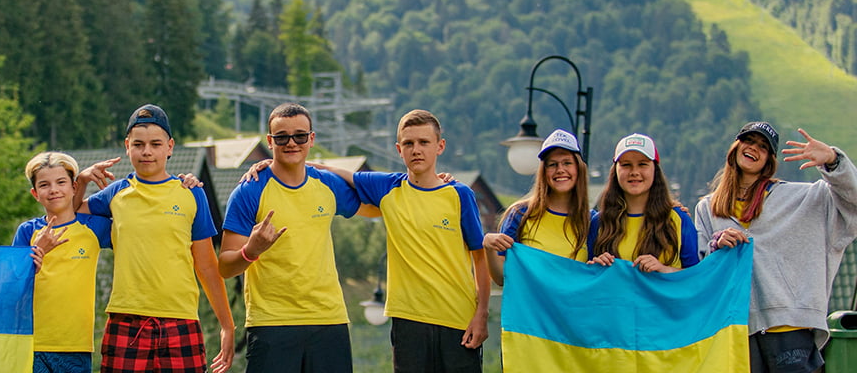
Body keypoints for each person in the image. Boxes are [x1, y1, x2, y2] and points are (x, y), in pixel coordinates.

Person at [218, 102, 379, 373]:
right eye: (282, 137)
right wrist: (251, 251)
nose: (291, 143)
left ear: (311, 139)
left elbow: (380, 207)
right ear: (270, 141)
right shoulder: (249, 190)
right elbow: (225, 267)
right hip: (272, 324)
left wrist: (431, 180)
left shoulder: (328, 184)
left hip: (329, 321)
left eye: (300, 136)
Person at [84, 104, 235, 373]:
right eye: (138, 144)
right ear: (127, 146)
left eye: (155, 144)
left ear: (170, 147)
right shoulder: (115, 193)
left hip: (181, 321)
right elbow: (68, 211)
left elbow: (207, 266)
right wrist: (82, 179)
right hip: (126, 320)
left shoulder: (192, 193)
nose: (147, 151)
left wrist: (227, 325)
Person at [696, 122, 857, 372]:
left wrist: (833, 161)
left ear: (769, 161)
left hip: (790, 329)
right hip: (736, 331)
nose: (754, 148)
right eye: (748, 141)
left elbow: (852, 202)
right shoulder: (708, 208)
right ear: (735, 148)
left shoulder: (802, 198)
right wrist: (716, 246)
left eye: (763, 146)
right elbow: (699, 270)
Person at [348, 110, 489, 372]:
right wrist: (275, 164)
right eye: (409, 143)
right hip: (408, 323)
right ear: (399, 149)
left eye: (424, 142)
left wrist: (482, 315)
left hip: (458, 321)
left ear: (440, 146)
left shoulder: (460, 194)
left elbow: (480, 258)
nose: (416, 150)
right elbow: (333, 173)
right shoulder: (388, 188)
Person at [14, 151, 111, 373]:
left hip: (76, 345)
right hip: (32, 343)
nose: (54, 190)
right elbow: (13, 283)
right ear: (35, 193)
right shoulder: (27, 231)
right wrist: (38, 250)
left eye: (61, 182)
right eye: (44, 185)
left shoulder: (94, 227)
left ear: (74, 187)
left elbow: (133, 230)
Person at [484, 129, 592, 285]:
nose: (560, 170)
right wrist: (488, 247)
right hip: (530, 302)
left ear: (578, 168)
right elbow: (502, 278)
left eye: (567, 163)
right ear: (543, 171)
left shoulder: (591, 221)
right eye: (552, 164)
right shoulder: (520, 214)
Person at [588, 133, 698, 273]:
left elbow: (695, 277)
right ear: (615, 170)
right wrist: (596, 266)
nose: (634, 172)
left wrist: (664, 270)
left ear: (655, 169)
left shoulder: (679, 219)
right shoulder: (599, 222)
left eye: (642, 164)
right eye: (626, 165)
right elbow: (587, 276)